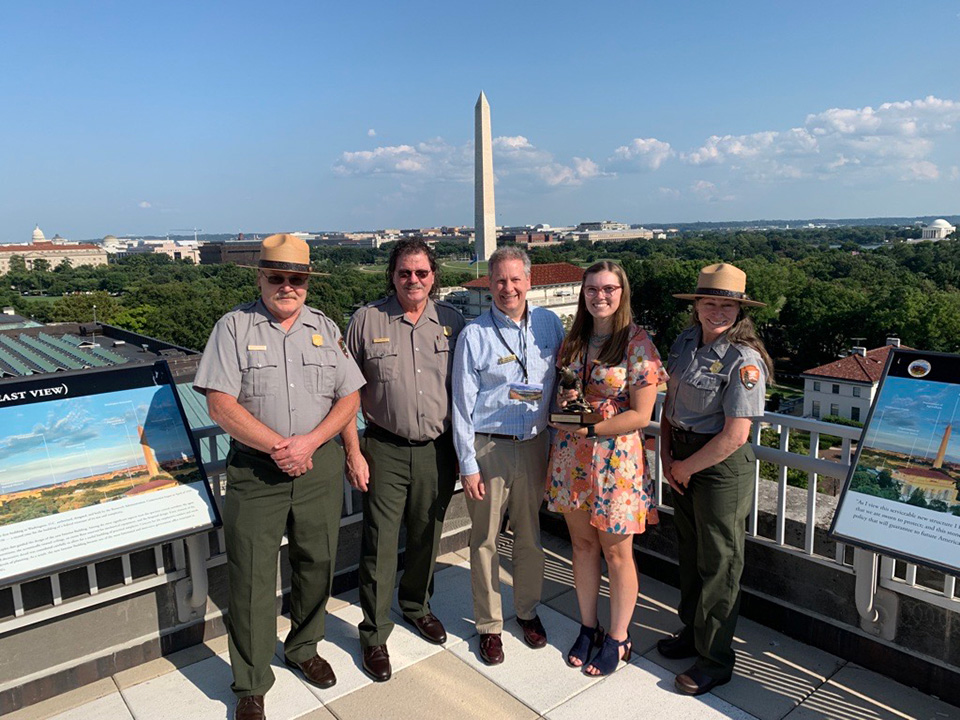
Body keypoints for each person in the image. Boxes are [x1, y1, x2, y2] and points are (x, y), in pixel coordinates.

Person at [194, 234, 365, 720]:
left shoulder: (325, 327)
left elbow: (349, 396)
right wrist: (279, 447)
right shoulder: (233, 327)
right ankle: (250, 681)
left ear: (307, 282)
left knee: (317, 562)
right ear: (261, 278)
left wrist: (309, 444)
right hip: (256, 472)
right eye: (277, 277)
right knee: (249, 575)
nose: (287, 286)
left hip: (318, 467)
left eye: (296, 278)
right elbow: (220, 404)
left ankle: (304, 647)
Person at [342, 239, 465, 682]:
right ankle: (374, 634)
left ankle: (417, 606)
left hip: (437, 449)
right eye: (404, 273)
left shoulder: (451, 321)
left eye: (422, 273)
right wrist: (353, 451)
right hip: (384, 448)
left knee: (427, 535)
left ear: (434, 276)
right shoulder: (366, 320)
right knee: (378, 542)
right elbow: (345, 392)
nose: (413, 280)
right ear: (392, 276)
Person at [657, 262, 772, 696]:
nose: (717, 311)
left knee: (720, 563)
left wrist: (685, 466)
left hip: (719, 467)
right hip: (683, 456)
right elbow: (670, 402)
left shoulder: (745, 360)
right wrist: (667, 453)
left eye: (727, 305)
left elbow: (736, 434)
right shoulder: (686, 342)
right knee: (690, 552)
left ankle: (716, 659)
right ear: (697, 306)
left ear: (740, 310)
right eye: (710, 302)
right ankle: (693, 633)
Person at [547, 261, 666, 675]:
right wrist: (565, 409)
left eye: (609, 289)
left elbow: (641, 414)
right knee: (581, 546)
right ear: (583, 293)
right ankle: (588, 626)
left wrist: (592, 427)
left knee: (617, 553)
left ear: (622, 293)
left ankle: (618, 637)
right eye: (593, 289)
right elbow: (563, 394)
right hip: (571, 457)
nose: (600, 296)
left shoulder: (637, 343)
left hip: (616, 461)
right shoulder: (573, 341)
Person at [452, 246, 565, 665]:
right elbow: (461, 406)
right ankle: (489, 625)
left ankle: (526, 610)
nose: (508, 288)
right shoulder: (474, 334)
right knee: (484, 539)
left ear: (529, 282)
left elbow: (567, 377)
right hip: (489, 447)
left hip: (536, 445)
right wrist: (468, 464)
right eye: (499, 280)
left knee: (531, 536)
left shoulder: (551, 326)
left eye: (516, 279)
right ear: (489, 284)